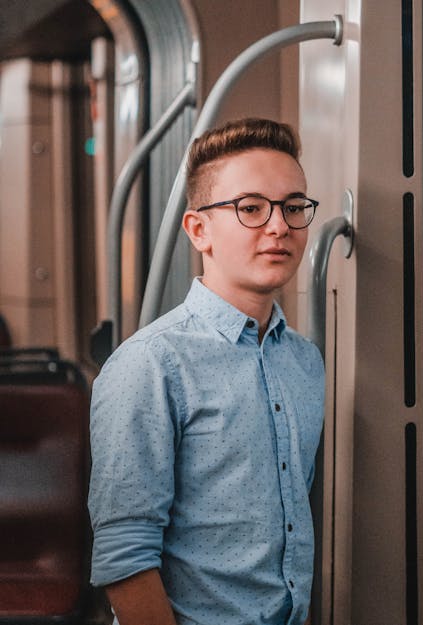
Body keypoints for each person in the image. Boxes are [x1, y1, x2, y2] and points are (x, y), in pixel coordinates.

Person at [88, 118, 325, 625]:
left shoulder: (305, 361)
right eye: (251, 208)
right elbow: (125, 558)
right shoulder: (150, 364)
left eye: (293, 207)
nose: (280, 226)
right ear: (199, 230)